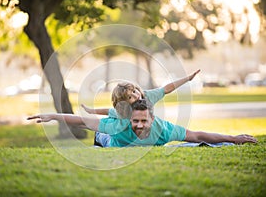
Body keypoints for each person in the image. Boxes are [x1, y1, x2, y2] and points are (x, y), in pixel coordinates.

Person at [27, 99, 257, 147]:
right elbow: (83, 121)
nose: (138, 125)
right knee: (100, 132)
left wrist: (233, 138)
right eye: (135, 120)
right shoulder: (120, 125)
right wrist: (54, 116)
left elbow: (197, 136)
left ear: (152, 118)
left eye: (143, 121)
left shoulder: (164, 129)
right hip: (108, 140)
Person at [82, 69, 200, 146]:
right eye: (129, 97)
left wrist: (187, 79)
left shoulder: (147, 96)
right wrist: (91, 111)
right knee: (108, 140)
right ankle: (99, 135)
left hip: (143, 133)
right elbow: (109, 111)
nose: (135, 95)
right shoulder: (123, 111)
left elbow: (167, 88)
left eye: (134, 91)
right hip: (124, 136)